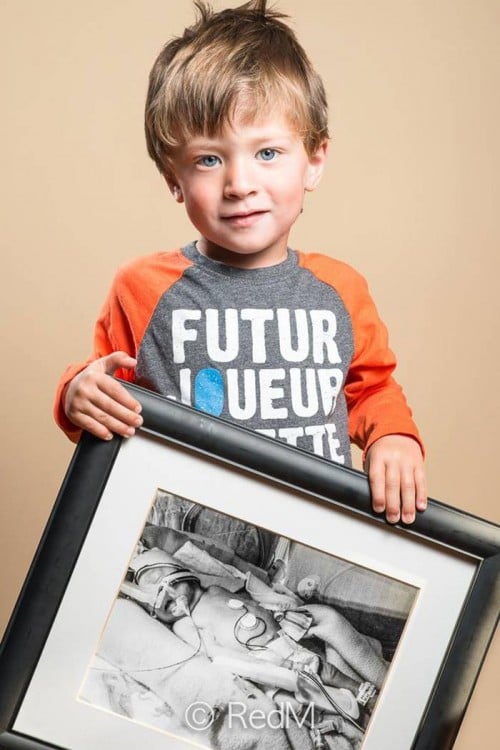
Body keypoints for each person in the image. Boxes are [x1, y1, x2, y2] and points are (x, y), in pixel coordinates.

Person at [54, 0, 426, 524]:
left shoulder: (340, 288)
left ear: (314, 161)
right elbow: (104, 387)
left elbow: (372, 388)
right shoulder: (142, 287)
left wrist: (393, 436)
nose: (240, 184)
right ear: (173, 181)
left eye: (267, 153)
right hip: (188, 526)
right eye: (209, 159)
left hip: (314, 528)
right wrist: (76, 393)